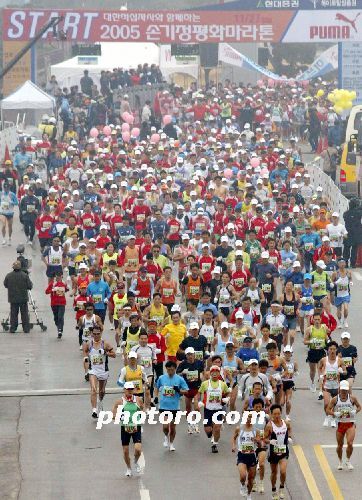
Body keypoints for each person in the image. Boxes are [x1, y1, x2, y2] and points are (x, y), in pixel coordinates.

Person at [154, 360, 189, 451]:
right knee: (166, 426)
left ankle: (171, 443)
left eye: (172, 370)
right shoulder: (161, 378)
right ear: (166, 369)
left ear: (175, 369)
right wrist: (156, 397)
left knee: (173, 428)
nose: (170, 372)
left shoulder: (180, 379)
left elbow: (186, 390)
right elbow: (157, 387)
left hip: (175, 407)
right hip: (163, 406)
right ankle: (166, 436)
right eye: (168, 370)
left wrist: (179, 391)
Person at [196, 365, 231, 453]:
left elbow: (228, 393)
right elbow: (199, 392)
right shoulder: (205, 383)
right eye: (213, 372)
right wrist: (199, 401)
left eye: (217, 372)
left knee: (217, 428)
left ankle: (215, 444)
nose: (215, 373)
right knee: (208, 430)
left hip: (218, 409)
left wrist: (227, 399)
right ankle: (211, 434)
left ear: (219, 373)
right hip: (208, 409)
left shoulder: (222, 384)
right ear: (210, 373)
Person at [112, 381, 144, 477]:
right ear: (124, 390)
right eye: (127, 389)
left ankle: (135, 461)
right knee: (125, 451)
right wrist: (116, 416)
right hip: (125, 427)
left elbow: (142, 409)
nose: (129, 391)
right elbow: (113, 411)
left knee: (138, 449)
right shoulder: (120, 401)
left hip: (135, 426)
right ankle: (129, 468)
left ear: (134, 390)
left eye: (131, 389)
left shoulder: (138, 399)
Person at [327, 380, 361, 470]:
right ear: (339, 389)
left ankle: (348, 461)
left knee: (350, 443)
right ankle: (340, 461)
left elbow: (359, 407)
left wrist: (355, 411)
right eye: (342, 390)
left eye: (346, 390)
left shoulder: (352, 398)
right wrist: (334, 414)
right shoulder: (335, 399)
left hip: (350, 423)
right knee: (340, 445)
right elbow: (328, 410)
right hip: (340, 424)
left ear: (348, 389)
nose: (344, 391)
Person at [85, 325, 115, 418]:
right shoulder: (89, 344)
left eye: (98, 334)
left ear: (101, 333)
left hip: (103, 371)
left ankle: (100, 401)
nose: (96, 336)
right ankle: (94, 410)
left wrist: (106, 353)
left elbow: (114, 355)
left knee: (101, 391)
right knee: (94, 389)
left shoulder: (105, 343)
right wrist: (86, 367)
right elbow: (85, 353)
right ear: (91, 334)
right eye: (94, 334)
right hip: (93, 370)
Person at [264, 403, 292, 500]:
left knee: (283, 472)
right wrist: (270, 441)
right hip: (273, 452)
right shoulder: (269, 426)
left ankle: (281, 488)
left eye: (279, 413)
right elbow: (264, 438)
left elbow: (290, 429)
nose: (277, 416)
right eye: (275, 414)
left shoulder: (286, 423)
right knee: (274, 472)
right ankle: (273, 490)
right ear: (271, 414)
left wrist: (289, 437)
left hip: (284, 451)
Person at [232, 411, 260, 499]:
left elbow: (260, 444)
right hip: (242, 455)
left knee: (251, 479)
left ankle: (248, 494)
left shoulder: (256, 430)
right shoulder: (239, 428)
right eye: (247, 417)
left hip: (252, 456)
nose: (249, 419)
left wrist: (256, 440)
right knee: (243, 475)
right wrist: (234, 446)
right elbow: (234, 437)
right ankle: (242, 485)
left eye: (251, 417)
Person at [319, 341, 346, 427]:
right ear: (328, 350)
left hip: (336, 386)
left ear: (336, 350)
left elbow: (345, 371)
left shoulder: (340, 360)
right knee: (326, 403)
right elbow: (319, 368)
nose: (332, 351)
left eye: (334, 349)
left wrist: (341, 371)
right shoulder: (324, 360)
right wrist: (321, 375)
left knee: (335, 404)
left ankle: (333, 419)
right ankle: (327, 417)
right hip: (326, 385)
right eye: (330, 349)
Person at [3, 261, 33, 333]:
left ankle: (13, 328)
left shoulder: (8, 275)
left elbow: (5, 284)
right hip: (23, 298)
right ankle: (26, 328)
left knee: (13, 314)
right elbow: (29, 286)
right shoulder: (24, 275)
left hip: (13, 298)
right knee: (24, 313)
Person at [304, 313, 329, 392]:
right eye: (315, 319)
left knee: (320, 370)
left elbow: (326, 337)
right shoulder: (309, 329)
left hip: (321, 351)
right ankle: (312, 382)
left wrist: (329, 342)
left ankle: (321, 390)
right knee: (313, 371)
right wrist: (311, 341)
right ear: (312, 320)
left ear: (321, 319)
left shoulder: (324, 327)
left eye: (318, 319)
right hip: (312, 351)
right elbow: (304, 341)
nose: (317, 321)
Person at [45, 270, 68, 339]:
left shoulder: (64, 283)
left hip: (62, 303)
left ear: (61, 276)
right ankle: (58, 326)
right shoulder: (52, 284)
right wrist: (52, 290)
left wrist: (67, 289)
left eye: (59, 277)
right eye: (57, 277)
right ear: (55, 277)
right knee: (56, 317)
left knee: (60, 317)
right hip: (54, 303)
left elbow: (67, 289)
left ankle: (60, 330)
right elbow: (46, 292)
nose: (58, 278)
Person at [0, 181, 18, 245]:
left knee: (10, 226)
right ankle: (4, 239)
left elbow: (16, 203)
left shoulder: (12, 194)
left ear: (9, 188)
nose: (6, 189)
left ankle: (9, 238)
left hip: (10, 213)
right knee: (4, 225)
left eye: (7, 188)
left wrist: (11, 202)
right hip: (2, 212)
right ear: (3, 188)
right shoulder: (1, 194)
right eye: (5, 188)